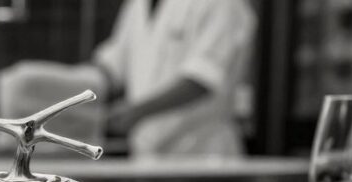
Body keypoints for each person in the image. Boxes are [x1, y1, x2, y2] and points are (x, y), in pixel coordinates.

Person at [92, 0, 257, 157]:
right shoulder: (138, 5)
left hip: (203, 154)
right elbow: (112, 67)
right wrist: (72, 86)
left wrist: (136, 112)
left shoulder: (223, 4)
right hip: (146, 155)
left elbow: (203, 80)